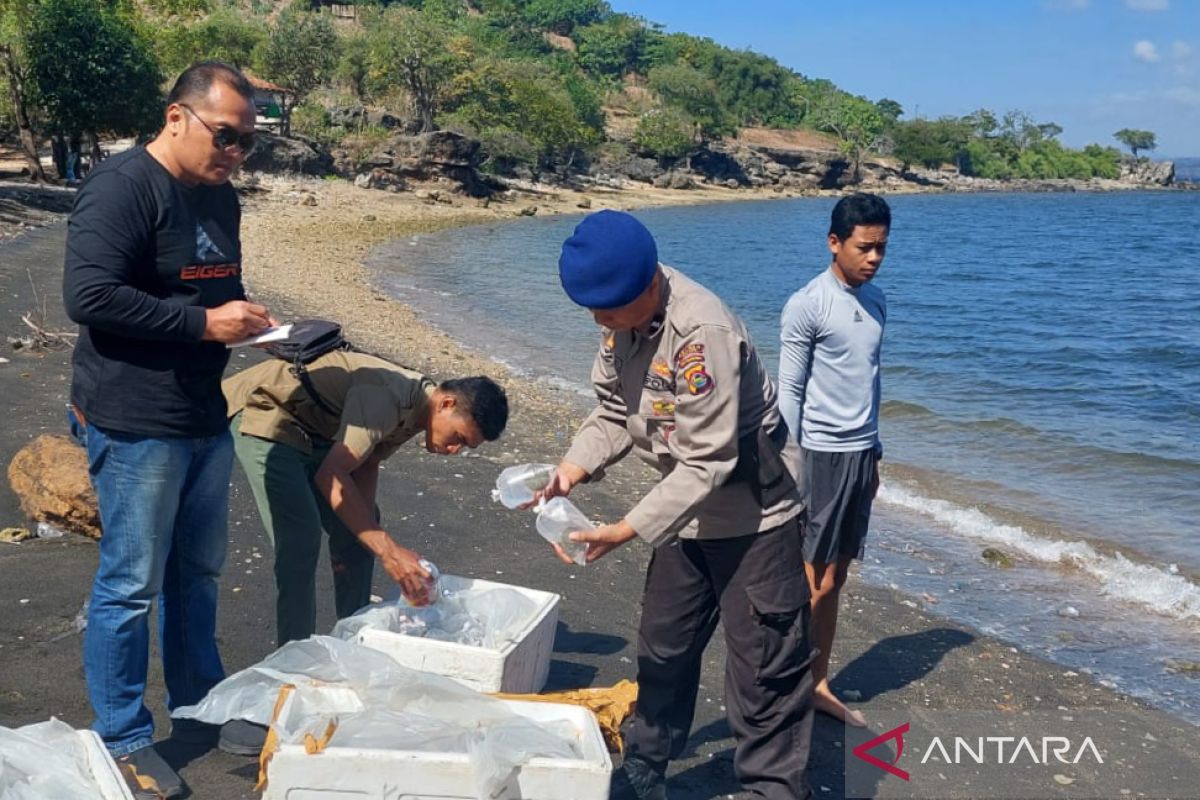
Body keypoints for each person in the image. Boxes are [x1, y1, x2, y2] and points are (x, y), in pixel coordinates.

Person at [538, 210, 814, 800]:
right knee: (662, 648)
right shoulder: (620, 322)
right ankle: (644, 769)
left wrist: (626, 530)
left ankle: (772, 790)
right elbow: (614, 410)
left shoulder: (702, 334)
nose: (599, 321)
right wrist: (572, 467)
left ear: (648, 284)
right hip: (685, 515)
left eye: (608, 310)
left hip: (755, 518)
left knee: (764, 673)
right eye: (591, 310)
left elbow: (708, 462)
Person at [62, 61, 268, 798]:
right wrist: (204, 323)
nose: (236, 153)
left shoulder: (221, 198)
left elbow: (216, 288)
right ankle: (122, 733)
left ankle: (200, 700)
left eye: (249, 141)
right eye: (226, 135)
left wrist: (252, 322)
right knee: (129, 585)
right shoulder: (122, 187)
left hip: (203, 415)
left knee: (199, 573)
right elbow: (87, 296)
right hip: (133, 419)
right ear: (177, 117)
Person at [777, 192, 890, 728]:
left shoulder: (878, 302)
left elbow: (870, 379)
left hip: (861, 454)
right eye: (864, 248)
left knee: (838, 577)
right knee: (812, 580)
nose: (873, 258)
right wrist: (791, 461)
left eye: (881, 249)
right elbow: (790, 390)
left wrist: (876, 451)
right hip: (818, 454)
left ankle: (817, 681)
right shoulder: (808, 304)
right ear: (834, 243)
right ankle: (785, 682)